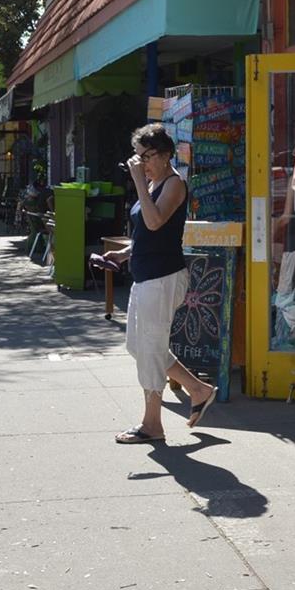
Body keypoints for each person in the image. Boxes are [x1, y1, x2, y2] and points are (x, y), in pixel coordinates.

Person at [98, 123, 216, 444]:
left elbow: (154, 221)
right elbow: (147, 235)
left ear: (165, 155)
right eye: (137, 158)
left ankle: (152, 424)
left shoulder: (173, 184)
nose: (141, 164)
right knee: (138, 346)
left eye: (146, 157)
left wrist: (138, 181)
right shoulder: (151, 186)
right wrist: (123, 254)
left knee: (150, 347)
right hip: (145, 275)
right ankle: (198, 389)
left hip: (163, 278)